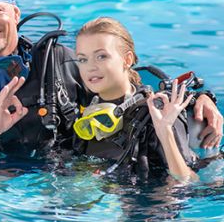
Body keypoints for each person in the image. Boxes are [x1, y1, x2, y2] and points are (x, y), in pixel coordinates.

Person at [0, 0, 223, 158]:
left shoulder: (57, 60)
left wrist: (198, 96)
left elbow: (128, 81)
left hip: (68, 188)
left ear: (16, 14)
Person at [74, 17, 210, 181]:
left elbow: (189, 182)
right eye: (82, 59)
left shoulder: (155, 113)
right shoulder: (82, 106)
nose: (90, 67)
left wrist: (165, 132)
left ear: (127, 60)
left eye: (101, 56)